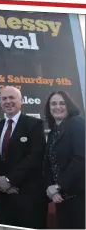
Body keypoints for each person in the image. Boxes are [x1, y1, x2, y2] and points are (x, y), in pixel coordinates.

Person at [0, 86, 47, 229]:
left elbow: (36, 157)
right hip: (3, 200)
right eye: (4, 98)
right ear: (0, 103)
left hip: (29, 198)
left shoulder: (34, 124)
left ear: (21, 101)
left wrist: (10, 180)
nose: (8, 101)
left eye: (12, 97)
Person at [43, 91, 85, 229]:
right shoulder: (52, 133)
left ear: (69, 106)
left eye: (62, 103)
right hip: (62, 199)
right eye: (53, 103)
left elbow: (81, 158)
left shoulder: (77, 124)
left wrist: (58, 185)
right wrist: (52, 189)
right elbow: (48, 164)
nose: (58, 107)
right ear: (49, 108)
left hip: (80, 198)